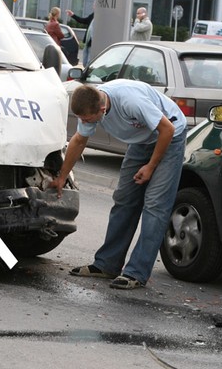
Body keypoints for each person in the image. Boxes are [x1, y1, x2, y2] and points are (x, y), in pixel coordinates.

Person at [48, 80, 187, 290]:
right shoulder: (92, 103)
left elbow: (166, 128)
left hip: (170, 134)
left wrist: (150, 166)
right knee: (124, 199)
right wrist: (61, 176)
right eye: (81, 119)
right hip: (142, 140)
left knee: (155, 205)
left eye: (88, 119)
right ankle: (107, 265)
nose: (85, 123)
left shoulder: (130, 101)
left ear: (102, 109)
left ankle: (136, 273)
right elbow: (78, 141)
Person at [67, 3, 94, 67]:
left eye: (94, 5)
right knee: (84, 62)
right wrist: (73, 15)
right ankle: (85, 69)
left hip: (92, 42)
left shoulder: (99, 17)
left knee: (88, 61)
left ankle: (86, 72)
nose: (93, 6)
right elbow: (83, 20)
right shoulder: (92, 15)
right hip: (87, 42)